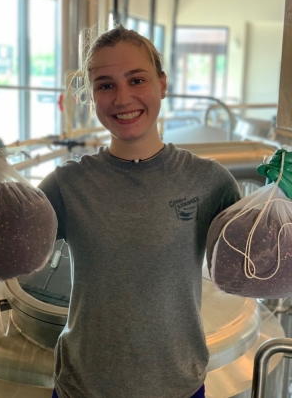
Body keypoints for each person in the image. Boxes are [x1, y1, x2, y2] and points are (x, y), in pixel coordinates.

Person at [39, 24, 242, 398]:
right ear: (92, 96)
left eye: (137, 80)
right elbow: (4, 254)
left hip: (176, 384)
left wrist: (280, 205)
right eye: (105, 85)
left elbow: (256, 270)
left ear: (162, 84)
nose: (122, 98)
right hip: (83, 386)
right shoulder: (67, 185)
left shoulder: (209, 182)